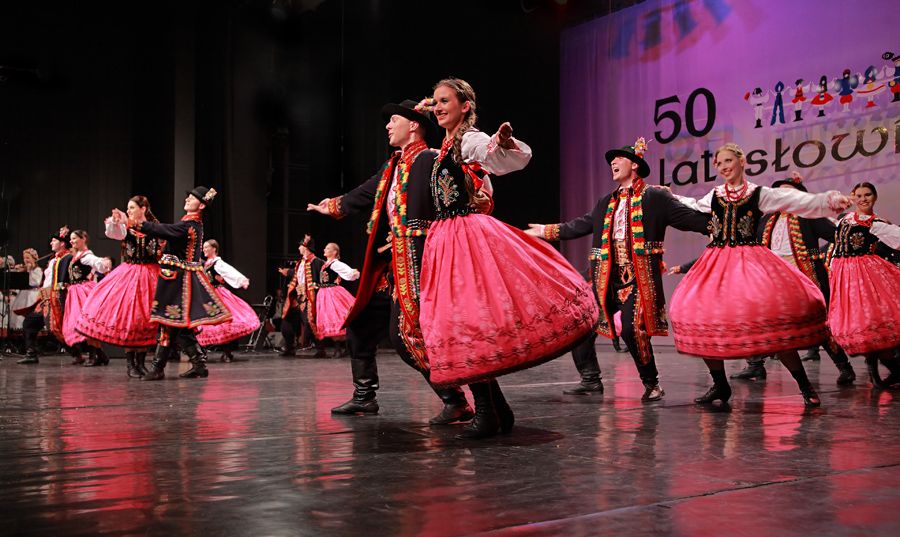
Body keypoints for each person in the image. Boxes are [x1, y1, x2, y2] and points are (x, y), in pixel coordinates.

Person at [417, 77, 598, 438]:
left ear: (465, 106)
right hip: (448, 238)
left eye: (445, 101)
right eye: (435, 101)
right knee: (463, 322)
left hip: (465, 238)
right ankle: (497, 411)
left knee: (469, 321)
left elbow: (497, 157)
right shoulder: (445, 146)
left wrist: (502, 143)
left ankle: (488, 413)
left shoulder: (469, 139)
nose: (438, 107)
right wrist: (426, 106)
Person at [308, 98, 474, 424]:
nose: (387, 126)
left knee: (406, 338)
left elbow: (453, 202)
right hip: (392, 268)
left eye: (393, 120)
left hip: (419, 265)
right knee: (360, 324)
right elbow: (364, 193)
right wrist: (332, 205)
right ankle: (364, 396)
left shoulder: (429, 159)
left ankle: (456, 400)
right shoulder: (393, 167)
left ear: (413, 125)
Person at [527, 137, 710, 401]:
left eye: (619, 158)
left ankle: (652, 383)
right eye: (611, 160)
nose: (612, 162)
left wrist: (720, 227)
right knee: (581, 323)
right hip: (605, 277)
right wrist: (545, 231)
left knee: (631, 329)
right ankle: (590, 379)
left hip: (638, 277)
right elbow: (581, 224)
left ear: (634, 164)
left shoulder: (655, 197)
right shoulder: (606, 202)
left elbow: (689, 219)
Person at [670, 143, 851, 407]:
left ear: (742, 161)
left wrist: (828, 201)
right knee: (702, 316)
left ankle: (804, 384)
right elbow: (695, 206)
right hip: (717, 262)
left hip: (749, 261)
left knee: (773, 320)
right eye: (719, 163)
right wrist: (669, 196)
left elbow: (795, 201)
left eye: (728, 160)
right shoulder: (715, 195)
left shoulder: (758, 194)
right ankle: (720, 385)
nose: (724, 167)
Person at [727, 175, 856, 385]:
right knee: (760, 319)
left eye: (789, 191)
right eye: (780, 191)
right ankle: (755, 365)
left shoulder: (808, 215)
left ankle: (844, 366)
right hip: (773, 279)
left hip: (803, 275)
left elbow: (836, 236)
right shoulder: (767, 219)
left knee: (818, 323)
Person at [123, 186, 232, 380]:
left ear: (201, 205)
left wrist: (136, 224)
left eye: (193, 198)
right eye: (188, 196)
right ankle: (198, 364)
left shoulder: (189, 225)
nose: (187, 199)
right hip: (178, 279)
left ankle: (158, 368)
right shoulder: (190, 224)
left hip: (179, 281)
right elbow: (167, 231)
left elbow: (165, 230)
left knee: (169, 323)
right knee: (179, 326)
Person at [76, 196, 162, 377]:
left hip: (151, 275)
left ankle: (141, 363)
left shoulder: (154, 228)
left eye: (132, 208)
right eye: (128, 208)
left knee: (145, 320)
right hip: (130, 274)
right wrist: (116, 221)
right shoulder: (126, 228)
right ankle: (131, 364)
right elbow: (114, 233)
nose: (129, 211)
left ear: (143, 209)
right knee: (129, 318)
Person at [827, 182, 900, 388]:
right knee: (857, 321)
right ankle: (888, 370)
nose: (863, 199)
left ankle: (892, 370)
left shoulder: (876, 223)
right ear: (853, 197)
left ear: (874, 197)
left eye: (867, 195)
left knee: (869, 321)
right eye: (858, 195)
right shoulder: (844, 219)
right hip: (844, 275)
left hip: (865, 274)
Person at [196, 239, 260, 363]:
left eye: (206, 247)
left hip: (218, 294)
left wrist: (241, 280)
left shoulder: (217, 263)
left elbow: (229, 271)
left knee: (223, 323)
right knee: (205, 323)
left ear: (214, 249)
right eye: (203, 247)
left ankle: (227, 352)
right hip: (208, 295)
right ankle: (202, 353)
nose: (204, 249)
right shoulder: (206, 263)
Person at [62, 230, 111, 366]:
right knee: (82, 324)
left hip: (84, 292)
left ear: (83, 238)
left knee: (87, 324)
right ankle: (101, 356)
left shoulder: (87, 256)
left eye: (74, 238)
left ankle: (93, 356)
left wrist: (104, 262)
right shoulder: (77, 255)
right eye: (70, 239)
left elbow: (97, 263)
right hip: (76, 292)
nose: (71, 241)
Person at [315, 242, 359, 357]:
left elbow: (348, 273)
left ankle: (343, 348)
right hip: (324, 293)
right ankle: (340, 348)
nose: (325, 249)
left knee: (339, 318)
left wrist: (353, 273)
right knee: (330, 318)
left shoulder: (335, 264)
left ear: (334, 252)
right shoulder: (326, 264)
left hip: (332, 293)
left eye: (328, 248)